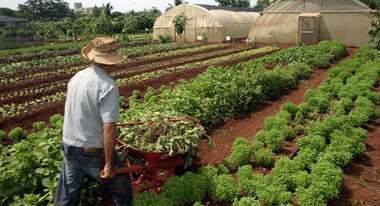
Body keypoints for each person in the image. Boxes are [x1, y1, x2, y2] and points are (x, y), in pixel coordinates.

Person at [54, 37, 133, 206]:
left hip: (68, 145)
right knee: (122, 187)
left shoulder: (77, 77)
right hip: (89, 151)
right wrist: (109, 164)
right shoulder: (107, 86)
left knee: (66, 194)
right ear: (112, 62)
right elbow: (109, 128)